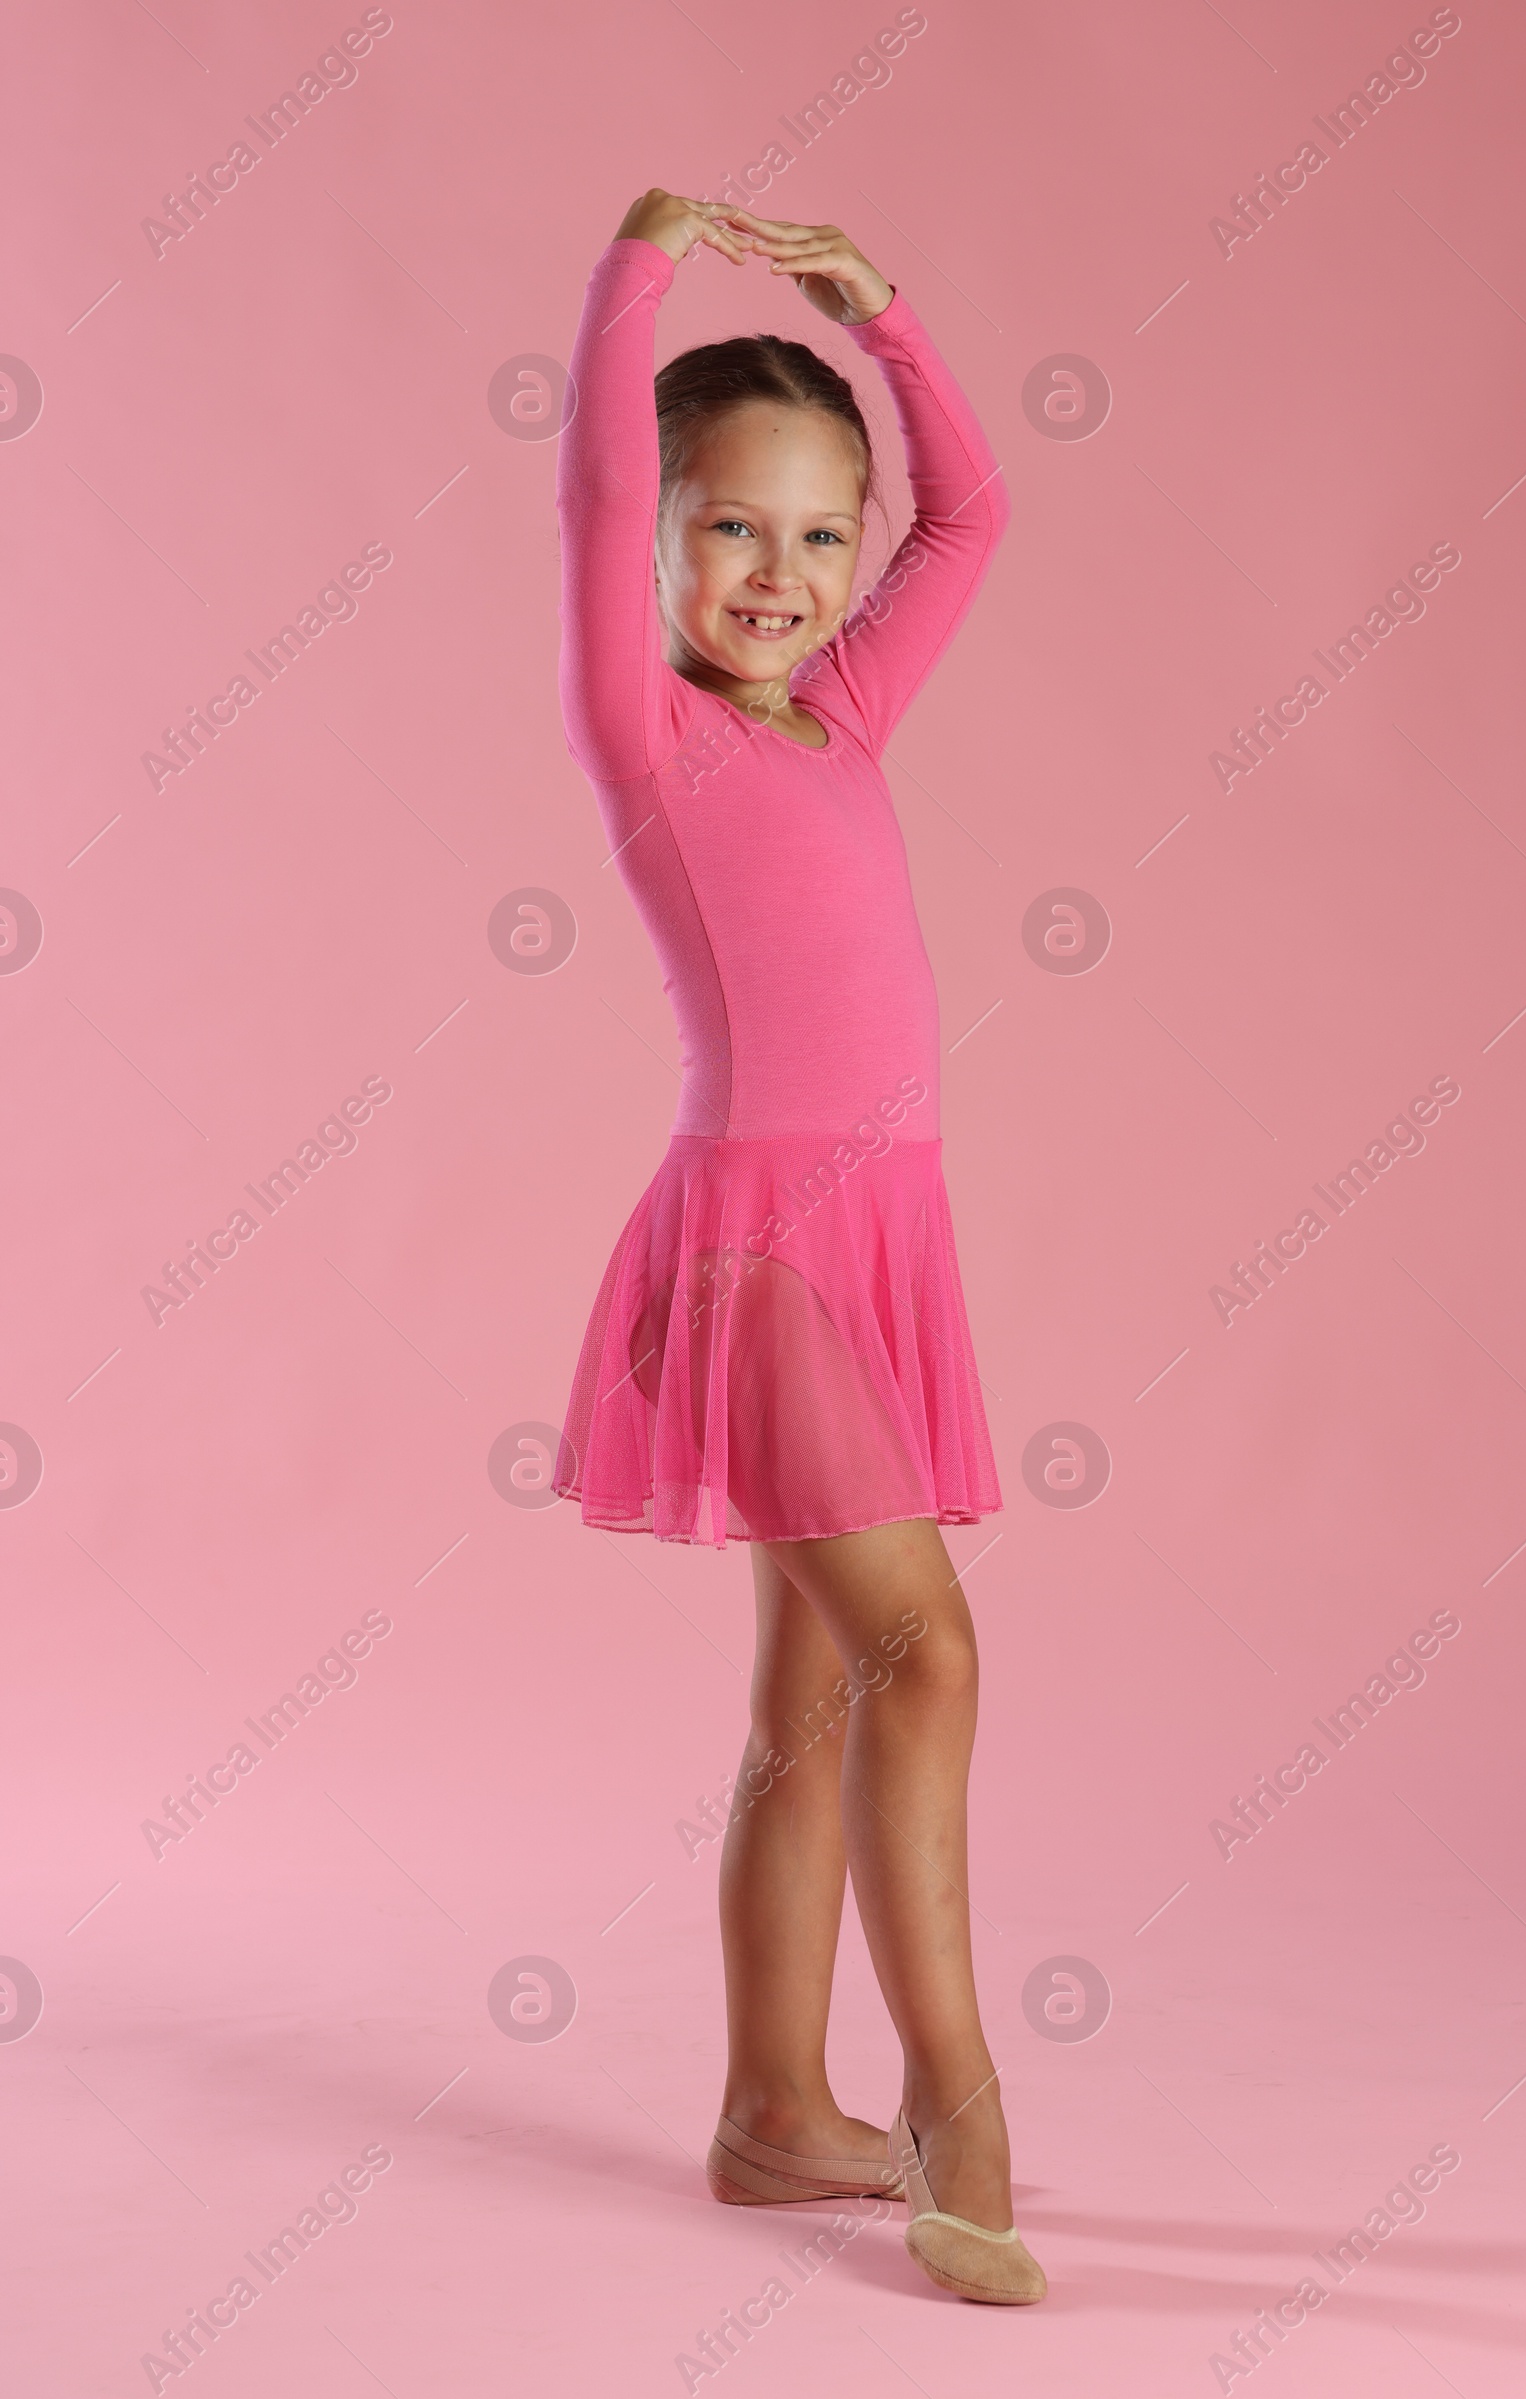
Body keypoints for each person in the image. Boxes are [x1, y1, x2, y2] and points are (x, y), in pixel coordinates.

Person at [553, 187, 1043, 2305]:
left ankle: (773, 2107)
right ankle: (953, 2102)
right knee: (920, 1650)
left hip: (881, 1242)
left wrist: (888, 314)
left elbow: (977, 519)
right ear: (657, 541)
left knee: (813, 1702)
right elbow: (576, 477)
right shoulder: (642, 731)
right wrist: (634, 274)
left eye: (811, 535)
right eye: (727, 529)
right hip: (757, 1252)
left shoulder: (839, 720)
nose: (778, 573)